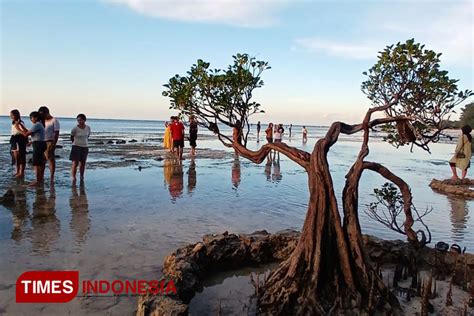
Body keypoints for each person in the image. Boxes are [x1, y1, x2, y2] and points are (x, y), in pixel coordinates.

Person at [19, 111, 46, 186]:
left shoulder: (37, 125)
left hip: (38, 144)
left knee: (36, 163)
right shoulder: (39, 124)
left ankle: (37, 181)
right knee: (39, 162)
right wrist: (21, 126)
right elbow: (29, 132)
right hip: (40, 143)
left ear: (36, 118)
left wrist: (18, 129)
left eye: (31, 118)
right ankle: (40, 179)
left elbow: (25, 134)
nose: (31, 120)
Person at [38, 106, 60, 182]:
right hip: (41, 141)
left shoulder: (54, 120)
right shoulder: (41, 121)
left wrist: (54, 143)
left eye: (43, 114)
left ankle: (51, 176)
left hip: (49, 141)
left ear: (47, 113)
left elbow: (56, 133)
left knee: (50, 159)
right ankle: (41, 176)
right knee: (42, 160)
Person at [70, 114, 91, 184]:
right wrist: (75, 143)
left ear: (84, 120)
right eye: (78, 120)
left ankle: (82, 176)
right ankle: (73, 177)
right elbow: (72, 137)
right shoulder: (75, 128)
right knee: (75, 163)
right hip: (76, 146)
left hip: (85, 147)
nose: (79, 121)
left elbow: (88, 136)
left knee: (83, 163)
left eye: (81, 120)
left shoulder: (88, 128)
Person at [9, 109, 28, 178]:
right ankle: (17, 171)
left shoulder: (20, 122)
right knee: (15, 156)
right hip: (14, 139)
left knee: (20, 156)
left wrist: (27, 141)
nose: (11, 116)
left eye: (12, 115)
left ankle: (21, 172)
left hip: (19, 139)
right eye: (10, 115)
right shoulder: (13, 122)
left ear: (16, 115)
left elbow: (24, 132)